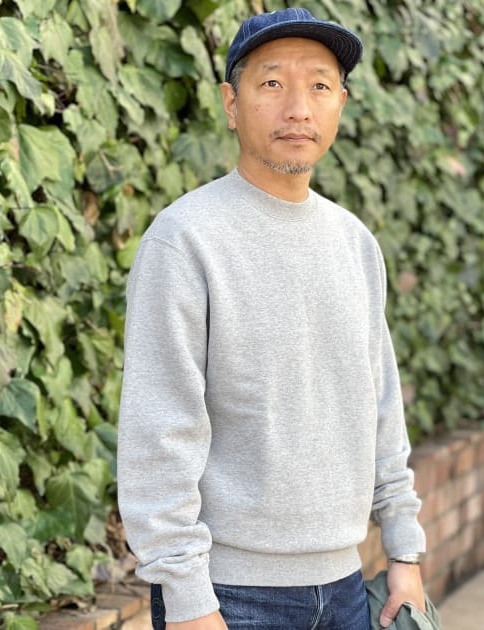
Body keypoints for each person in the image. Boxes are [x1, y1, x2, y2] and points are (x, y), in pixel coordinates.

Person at [118, 7, 427, 630]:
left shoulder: (355, 243)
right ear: (232, 104)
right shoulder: (185, 239)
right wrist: (188, 599)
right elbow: (160, 432)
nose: (298, 108)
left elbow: (380, 405)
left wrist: (404, 549)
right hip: (227, 597)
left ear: (341, 103)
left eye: (319, 85)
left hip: (346, 588)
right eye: (272, 83)